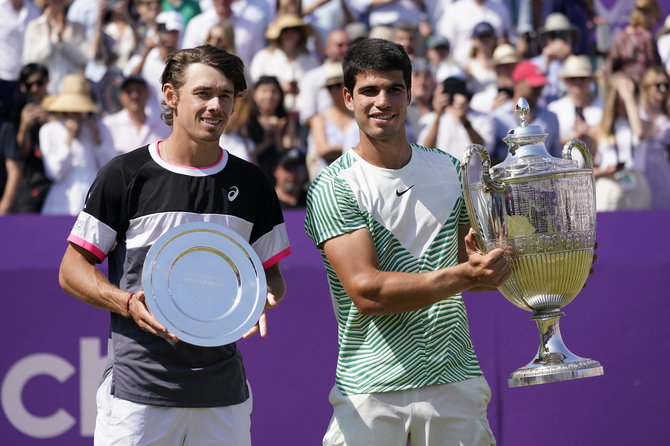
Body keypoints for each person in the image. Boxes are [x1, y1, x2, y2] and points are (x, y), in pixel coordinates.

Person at [58, 45, 290, 444]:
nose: (216, 105)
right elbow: (71, 270)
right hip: (137, 396)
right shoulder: (125, 174)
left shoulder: (253, 184)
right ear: (170, 96)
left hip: (224, 396)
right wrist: (127, 303)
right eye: (203, 93)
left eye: (226, 96)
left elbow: (273, 279)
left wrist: (261, 298)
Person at [304, 38, 511, 446]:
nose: (383, 101)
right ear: (348, 97)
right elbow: (368, 292)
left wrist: (549, 266)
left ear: (410, 94)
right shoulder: (333, 186)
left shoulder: (451, 171)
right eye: (369, 90)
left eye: (394, 89)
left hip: (454, 382)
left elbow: (479, 271)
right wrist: (465, 275)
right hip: (371, 390)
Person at [40, 73, 116, 215]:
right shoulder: (49, 130)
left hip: (93, 201)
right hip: (62, 204)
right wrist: (68, 140)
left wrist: (96, 138)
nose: (76, 113)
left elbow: (111, 166)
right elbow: (54, 173)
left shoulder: (98, 127)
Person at [489, 60, 561, 164]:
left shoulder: (550, 118)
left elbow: (557, 157)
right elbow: (487, 159)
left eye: (541, 86)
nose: (538, 90)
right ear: (517, 84)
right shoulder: (497, 117)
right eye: (534, 86)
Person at [22, 0, 91, 96]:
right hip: (45, 92)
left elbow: (84, 59)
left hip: (73, 93)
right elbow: (30, 61)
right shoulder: (34, 26)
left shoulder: (77, 27)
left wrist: (63, 42)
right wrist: (48, 39)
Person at [418, 76, 492, 161]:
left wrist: (464, 119)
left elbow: (485, 151)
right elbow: (424, 152)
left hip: (472, 174)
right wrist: (438, 116)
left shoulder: (483, 118)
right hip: (441, 173)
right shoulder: (428, 119)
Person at [10, 63, 52, 213]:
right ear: (22, 87)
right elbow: (21, 153)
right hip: (30, 185)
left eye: (39, 83)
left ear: (47, 80)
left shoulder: (60, 108)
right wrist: (24, 126)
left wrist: (51, 123)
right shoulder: (17, 112)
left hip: (56, 185)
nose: (35, 89)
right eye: (29, 85)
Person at [102, 75, 170, 154]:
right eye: (129, 91)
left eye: (139, 91)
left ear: (147, 93)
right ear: (120, 96)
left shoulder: (164, 127)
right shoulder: (107, 125)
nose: (134, 96)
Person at [638, 65, 670, 209]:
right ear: (646, 87)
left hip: (663, 171)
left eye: (666, 85)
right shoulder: (638, 112)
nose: (663, 89)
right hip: (640, 169)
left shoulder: (667, 116)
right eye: (658, 85)